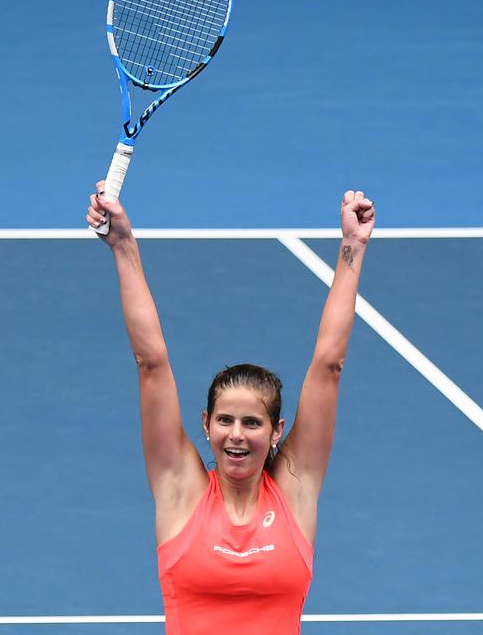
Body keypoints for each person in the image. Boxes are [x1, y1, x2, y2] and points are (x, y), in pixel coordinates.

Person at [85, 183, 375, 635]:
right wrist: (123, 246)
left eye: (252, 423)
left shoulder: (296, 490)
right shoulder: (179, 490)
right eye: (225, 420)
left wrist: (352, 248)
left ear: (277, 430)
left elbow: (328, 365)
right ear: (205, 424)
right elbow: (151, 364)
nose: (236, 434)